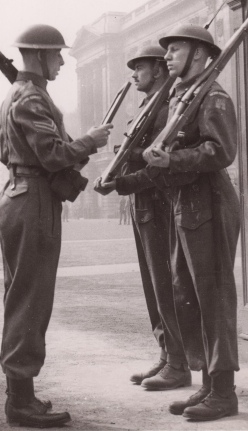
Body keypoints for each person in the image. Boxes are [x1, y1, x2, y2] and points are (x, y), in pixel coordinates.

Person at [0, 24, 112, 428]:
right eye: (57, 55)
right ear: (39, 57)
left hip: (26, 196)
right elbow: (53, 155)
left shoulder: (24, 95)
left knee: (25, 295)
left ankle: (22, 393)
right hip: (34, 201)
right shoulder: (30, 98)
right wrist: (91, 141)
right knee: (31, 299)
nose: (62, 61)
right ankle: (20, 402)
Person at [143, 24, 240, 421]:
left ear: (200, 54)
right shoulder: (183, 96)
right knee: (188, 294)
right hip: (187, 203)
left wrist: (173, 159)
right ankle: (207, 383)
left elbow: (222, 151)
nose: (166, 56)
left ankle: (224, 392)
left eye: (175, 49)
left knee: (214, 298)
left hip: (211, 204)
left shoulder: (212, 95)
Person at [95, 46, 191, 391]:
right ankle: (167, 354)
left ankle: (179, 364)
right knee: (153, 285)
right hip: (143, 205)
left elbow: (156, 167)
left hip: (159, 203)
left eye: (141, 68)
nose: (134, 74)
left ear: (158, 72)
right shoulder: (147, 107)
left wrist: (120, 181)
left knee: (166, 284)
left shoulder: (165, 110)